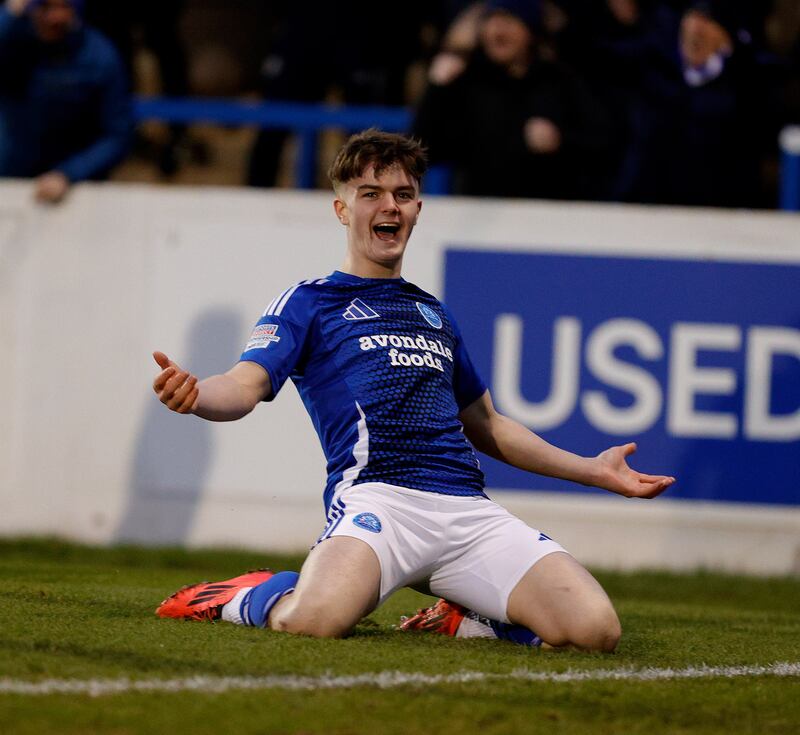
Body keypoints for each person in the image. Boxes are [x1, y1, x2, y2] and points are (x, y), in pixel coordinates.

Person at [153, 129, 674, 650]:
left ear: (418, 209)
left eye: (403, 195)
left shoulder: (434, 314)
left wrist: (593, 471)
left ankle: (468, 620)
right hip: (380, 502)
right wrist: (198, 396)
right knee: (313, 621)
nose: (390, 207)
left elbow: (489, 425)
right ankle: (245, 593)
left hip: (466, 510)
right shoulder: (309, 302)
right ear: (341, 209)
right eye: (371, 194)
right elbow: (244, 386)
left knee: (595, 632)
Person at [412, 0, 613, 200]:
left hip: (549, 212)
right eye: (491, 21)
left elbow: (603, 147)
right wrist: (436, 89)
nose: (498, 31)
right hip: (479, 208)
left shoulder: (559, 81)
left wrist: (560, 141)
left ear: (530, 30)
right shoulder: (469, 83)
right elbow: (423, 151)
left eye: (509, 21)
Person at [0, 0, 132, 203]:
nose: (54, 17)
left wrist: (69, 173)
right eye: (45, 7)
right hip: (11, 175)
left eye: (64, 7)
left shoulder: (99, 56)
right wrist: (8, 13)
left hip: (74, 185)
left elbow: (118, 135)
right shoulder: (12, 42)